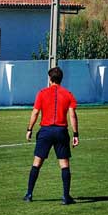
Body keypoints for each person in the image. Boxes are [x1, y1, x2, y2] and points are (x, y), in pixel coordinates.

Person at [24, 66, 80, 205]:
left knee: (37, 162)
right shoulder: (68, 94)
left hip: (45, 131)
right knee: (64, 164)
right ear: (61, 79)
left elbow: (35, 112)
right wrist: (75, 134)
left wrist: (29, 129)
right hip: (61, 131)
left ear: (50, 79)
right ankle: (66, 197)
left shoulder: (42, 93)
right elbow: (72, 115)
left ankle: (29, 194)